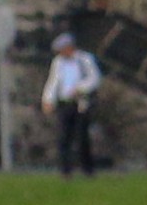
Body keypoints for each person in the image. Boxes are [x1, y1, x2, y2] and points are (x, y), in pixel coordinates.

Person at [45, 28, 106, 176]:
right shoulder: (58, 63)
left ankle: (87, 169)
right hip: (65, 103)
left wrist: (80, 88)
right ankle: (65, 170)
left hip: (80, 103)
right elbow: (53, 82)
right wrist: (48, 99)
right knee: (64, 136)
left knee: (81, 137)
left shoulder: (85, 59)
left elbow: (95, 79)